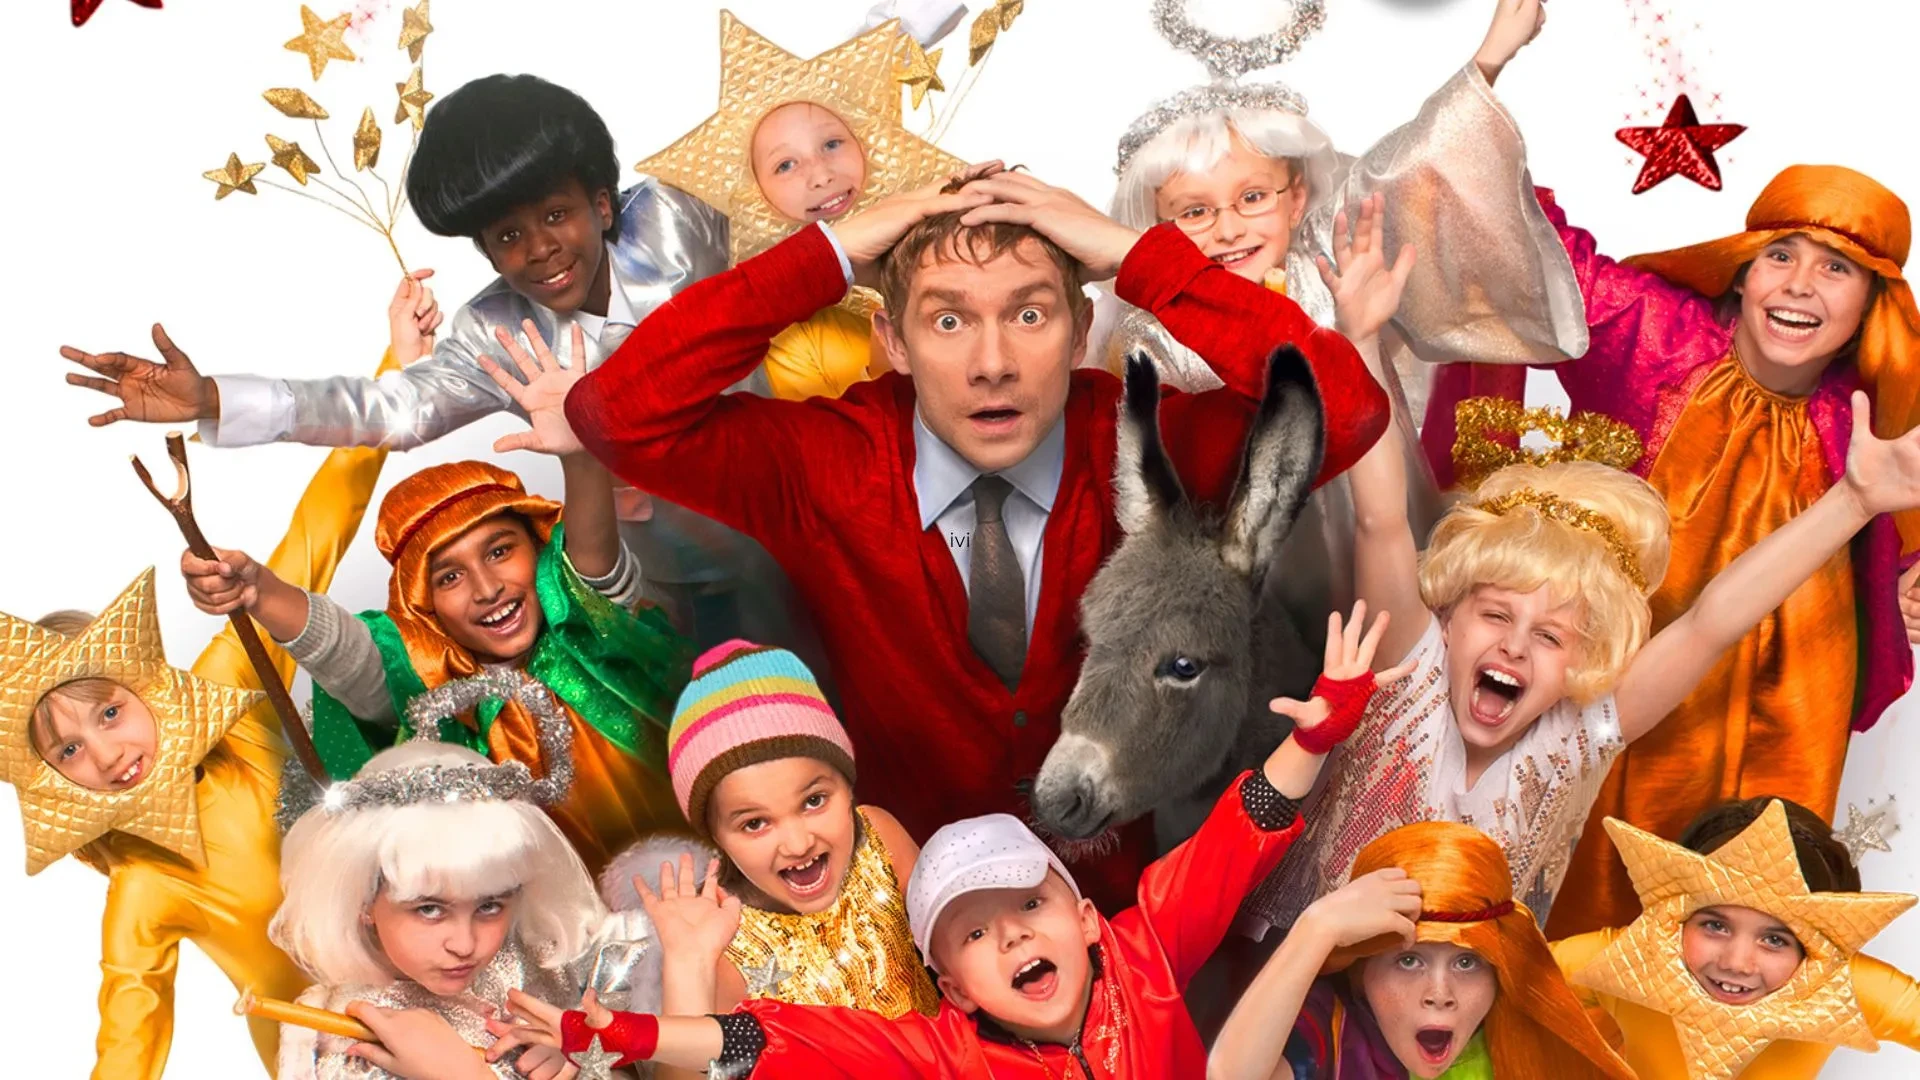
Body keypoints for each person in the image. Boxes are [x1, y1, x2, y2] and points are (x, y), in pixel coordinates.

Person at [465, 168, 1391, 907]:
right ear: (894, 342)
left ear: (1079, 332)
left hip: (1113, 918)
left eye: (1029, 314)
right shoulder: (830, 459)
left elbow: (1341, 412)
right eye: (948, 320)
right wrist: (824, 254)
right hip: (902, 920)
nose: (992, 363)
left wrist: (1132, 256)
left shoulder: (1139, 439)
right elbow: (614, 414)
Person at [1247, 195, 1920, 927]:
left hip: (1458, 1009)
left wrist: (1854, 502)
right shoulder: (1410, 673)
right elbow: (1380, 519)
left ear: (1584, 663)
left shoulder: (1572, 741)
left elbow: (1710, 623)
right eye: (1497, 615)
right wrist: (1363, 341)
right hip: (1324, 999)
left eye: (1550, 637)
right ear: (1447, 615)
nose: (1512, 643)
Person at [54, 73, 811, 660]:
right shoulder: (495, 332)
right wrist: (211, 398)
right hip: (684, 578)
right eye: (508, 235)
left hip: (808, 502)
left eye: (555, 215)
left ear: (604, 205)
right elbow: (389, 409)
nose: (540, 248)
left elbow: (809, 162)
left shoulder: (681, 220)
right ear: (484, 251)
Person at [480, 606, 1406, 1077]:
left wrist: (1314, 738)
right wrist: (605, 1026)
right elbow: (777, 1040)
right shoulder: (943, 1055)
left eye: (1030, 905)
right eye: (970, 933)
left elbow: (1232, 844)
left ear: (1086, 918)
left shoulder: (1143, 953)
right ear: (950, 985)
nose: (1008, 935)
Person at [0, 437, 386, 1080]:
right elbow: (129, 1032)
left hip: (456, 976)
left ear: (144, 687)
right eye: (68, 749)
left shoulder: (228, 694)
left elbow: (313, 539)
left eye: (110, 713)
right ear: (48, 778)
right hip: (337, 1061)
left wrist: (396, 377)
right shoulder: (146, 885)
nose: (107, 753)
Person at [181, 397, 691, 876]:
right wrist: (262, 593)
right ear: (422, 605)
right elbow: (353, 655)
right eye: (449, 577)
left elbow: (593, 563)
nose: (487, 589)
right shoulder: (440, 697)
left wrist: (580, 456)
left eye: (498, 551)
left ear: (538, 549)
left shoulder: (593, 627)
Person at [271, 734, 657, 1080]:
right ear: (363, 901)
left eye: (489, 906)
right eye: (429, 910)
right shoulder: (355, 1047)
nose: (465, 943)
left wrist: (585, 1051)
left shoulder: (538, 957)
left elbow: (641, 970)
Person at [634, 12, 972, 402]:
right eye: (786, 165)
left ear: (865, 145)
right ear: (757, 195)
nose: (820, 176)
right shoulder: (791, 342)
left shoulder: (957, 246)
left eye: (831, 144)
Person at [1210, 821, 1637, 1080]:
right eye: (1409, 960)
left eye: (1467, 962)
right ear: (1362, 973)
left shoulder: (1540, 1042)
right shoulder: (1334, 1032)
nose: (1440, 992)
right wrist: (1315, 930)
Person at [1551, 799, 1920, 1079]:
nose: (1735, 963)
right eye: (1715, 926)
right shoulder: (1630, 962)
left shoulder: (1842, 990)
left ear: (1814, 950)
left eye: (1775, 940)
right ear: (1677, 916)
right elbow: (1511, 969)